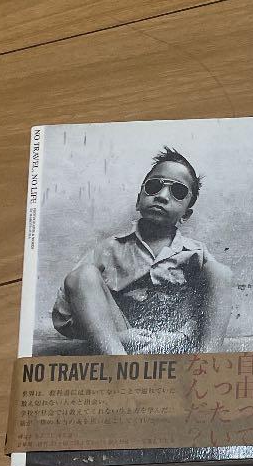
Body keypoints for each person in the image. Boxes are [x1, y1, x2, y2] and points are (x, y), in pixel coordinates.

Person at [53, 147, 233, 354]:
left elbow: (214, 305)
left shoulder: (196, 253)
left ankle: (206, 363)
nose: (162, 196)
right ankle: (119, 364)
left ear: (186, 215)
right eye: (154, 186)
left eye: (178, 192)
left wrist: (184, 336)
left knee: (220, 273)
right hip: (122, 345)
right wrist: (115, 337)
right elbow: (64, 314)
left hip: (178, 343)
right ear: (139, 200)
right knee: (83, 275)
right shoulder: (109, 249)